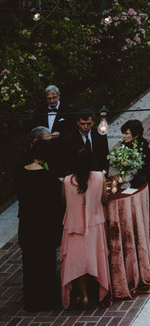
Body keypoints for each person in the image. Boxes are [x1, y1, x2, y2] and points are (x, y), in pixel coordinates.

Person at [16, 138, 63, 311]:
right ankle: (48, 300)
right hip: (44, 228)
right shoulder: (48, 178)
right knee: (46, 264)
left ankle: (31, 301)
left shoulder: (21, 173)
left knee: (29, 264)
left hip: (27, 226)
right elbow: (56, 204)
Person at [60, 147, 110, 309]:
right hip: (94, 225)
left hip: (73, 227)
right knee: (93, 259)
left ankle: (83, 295)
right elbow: (104, 198)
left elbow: (64, 201)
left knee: (77, 263)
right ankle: (93, 292)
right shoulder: (100, 177)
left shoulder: (67, 181)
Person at [120, 119, 150, 225]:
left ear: (135, 136)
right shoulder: (124, 145)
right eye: (124, 133)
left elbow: (147, 169)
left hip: (140, 180)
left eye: (127, 134)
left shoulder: (143, 147)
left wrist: (135, 172)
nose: (124, 136)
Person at [61, 109, 109, 175]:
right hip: (77, 175)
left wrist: (104, 173)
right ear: (77, 122)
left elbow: (105, 156)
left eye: (89, 124)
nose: (85, 127)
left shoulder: (100, 135)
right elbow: (67, 161)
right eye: (82, 124)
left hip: (98, 174)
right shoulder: (69, 138)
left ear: (93, 122)